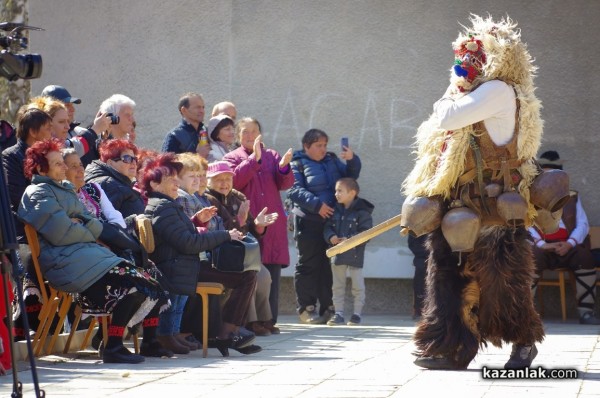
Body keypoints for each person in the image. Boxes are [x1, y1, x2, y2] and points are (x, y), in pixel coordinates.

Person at [402, 15, 549, 370]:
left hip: (494, 207)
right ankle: (452, 347)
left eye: (476, 55)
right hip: (460, 203)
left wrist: (454, 88)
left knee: (501, 282)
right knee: (447, 275)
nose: (468, 63)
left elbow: (447, 117)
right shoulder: (482, 91)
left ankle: (524, 344)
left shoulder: (497, 90)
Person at [18, 138, 170, 363]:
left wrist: (81, 224)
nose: (64, 167)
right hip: (64, 263)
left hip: (85, 256)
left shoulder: (65, 190)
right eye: (58, 163)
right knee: (133, 283)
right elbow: (62, 233)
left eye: (62, 162)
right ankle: (112, 346)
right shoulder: (38, 193)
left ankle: (113, 344)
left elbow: (90, 221)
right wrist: (84, 228)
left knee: (144, 281)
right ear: (41, 168)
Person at [141, 153, 260, 356]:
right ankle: (221, 333)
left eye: (176, 178)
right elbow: (187, 242)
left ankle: (205, 333)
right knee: (246, 276)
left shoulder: (169, 204)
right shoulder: (165, 207)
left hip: (182, 264)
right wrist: (224, 235)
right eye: (170, 180)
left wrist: (197, 222)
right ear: (154, 184)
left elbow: (183, 234)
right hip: (177, 266)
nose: (176, 183)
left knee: (248, 274)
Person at [223, 117, 294, 330]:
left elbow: (285, 183)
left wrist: (283, 167)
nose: (250, 136)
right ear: (237, 136)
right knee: (254, 270)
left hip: (273, 224)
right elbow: (234, 181)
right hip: (248, 223)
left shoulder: (272, 155)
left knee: (272, 271)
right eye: (245, 132)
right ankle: (250, 321)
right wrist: (254, 159)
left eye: (254, 131)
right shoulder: (231, 157)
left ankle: (269, 320)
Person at [287, 128, 361, 324]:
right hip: (308, 221)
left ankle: (328, 308)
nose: (323, 149)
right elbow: (294, 190)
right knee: (308, 264)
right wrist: (317, 206)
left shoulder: (331, 159)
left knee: (329, 265)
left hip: (332, 222)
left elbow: (350, 179)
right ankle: (306, 308)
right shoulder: (297, 163)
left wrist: (352, 160)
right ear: (306, 146)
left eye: (325, 145)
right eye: (318, 145)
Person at [206, 161, 279, 336]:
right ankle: (250, 322)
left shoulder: (237, 197)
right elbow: (222, 229)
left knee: (264, 276)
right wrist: (239, 221)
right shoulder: (208, 199)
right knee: (249, 276)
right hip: (222, 255)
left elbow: (252, 228)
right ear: (208, 181)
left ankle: (264, 319)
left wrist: (258, 225)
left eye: (227, 179)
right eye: (218, 180)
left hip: (243, 252)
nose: (224, 184)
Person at [529, 150, 600, 324]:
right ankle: (525, 316)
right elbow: (526, 224)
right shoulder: (530, 197)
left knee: (585, 257)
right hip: (542, 247)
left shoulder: (572, 197)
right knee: (529, 259)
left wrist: (569, 243)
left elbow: (582, 224)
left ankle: (585, 312)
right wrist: (540, 243)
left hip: (566, 246)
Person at [2, 108, 53, 341]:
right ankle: (25, 323)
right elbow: (15, 197)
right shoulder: (11, 156)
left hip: (49, 226)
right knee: (29, 258)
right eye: (48, 129)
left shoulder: (51, 157)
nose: (52, 134)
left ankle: (52, 323)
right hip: (22, 229)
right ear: (33, 131)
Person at [323, 178, 373, 326]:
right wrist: (330, 236)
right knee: (337, 285)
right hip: (337, 254)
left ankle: (357, 314)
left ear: (352, 193)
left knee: (357, 285)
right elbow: (327, 227)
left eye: (340, 191)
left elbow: (366, 233)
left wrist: (350, 240)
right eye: (336, 190)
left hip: (355, 255)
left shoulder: (362, 212)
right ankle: (338, 314)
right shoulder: (334, 210)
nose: (336, 194)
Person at [85, 139, 145, 220]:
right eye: (127, 158)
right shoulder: (111, 185)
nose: (133, 162)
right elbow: (109, 223)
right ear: (110, 163)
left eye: (135, 159)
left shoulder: (116, 183)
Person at [77, 94, 136, 167]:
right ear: (112, 118)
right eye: (127, 115)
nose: (132, 119)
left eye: (132, 115)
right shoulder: (94, 147)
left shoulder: (128, 146)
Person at [161, 93, 209, 158]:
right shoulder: (174, 136)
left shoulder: (207, 131)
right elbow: (167, 166)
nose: (202, 111)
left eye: (203, 107)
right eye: (197, 107)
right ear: (184, 110)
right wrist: (198, 156)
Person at [407, 234, 428, 321]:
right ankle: (419, 309)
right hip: (422, 258)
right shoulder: (417, 223)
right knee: (420, 282)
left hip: (439, 257)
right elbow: (413, 244)